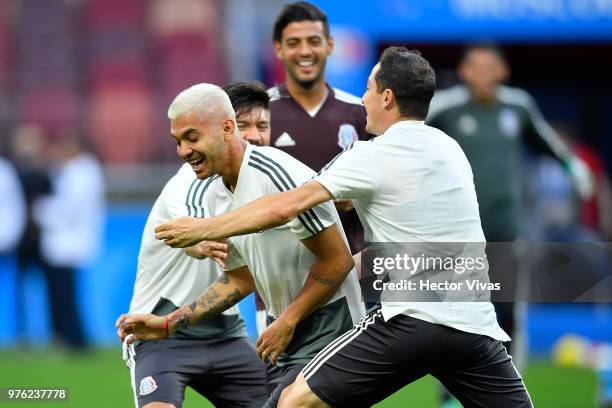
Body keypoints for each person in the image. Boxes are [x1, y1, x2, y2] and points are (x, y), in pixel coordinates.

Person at [153, 47, 533, 407]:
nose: (363, 99)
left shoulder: (371, 154)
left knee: (293, 400)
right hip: (474, 324)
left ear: (386, 97)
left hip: (409, 321)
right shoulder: (449, 148)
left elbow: (287, 205)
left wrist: (205, 229)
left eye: (368, 89)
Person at [117, 83, 364, 408]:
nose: (184, 150)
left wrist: (288, 320)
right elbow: (240, 277)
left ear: (227, 128)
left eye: (192, 137)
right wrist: (168, 323)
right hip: (284, 336)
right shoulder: (213, 191)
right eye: (178, 142)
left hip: (330, 326)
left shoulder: (274, 173)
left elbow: (337, 261)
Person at [426, 43, 593, 362]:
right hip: (457, 233)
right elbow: (409, 135)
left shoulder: (518, 106)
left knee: (510, 311)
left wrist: (576, 169)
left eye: (491, 66)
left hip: (506, 230)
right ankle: (450, 391)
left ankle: (512, 387)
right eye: (477, 66)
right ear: (464, 71)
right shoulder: (446, 108)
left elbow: (549, 142)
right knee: (456, 310)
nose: (484, 73)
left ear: (503, 71)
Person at [116, 82, 271, 408]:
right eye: (244, 126)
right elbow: (194, 233)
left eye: (263, 126)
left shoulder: (266, 183)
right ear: (226, 129)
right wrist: (202, 243)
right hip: (159, 333)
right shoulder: (190, 184)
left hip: (226, 333)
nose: (255, 136)